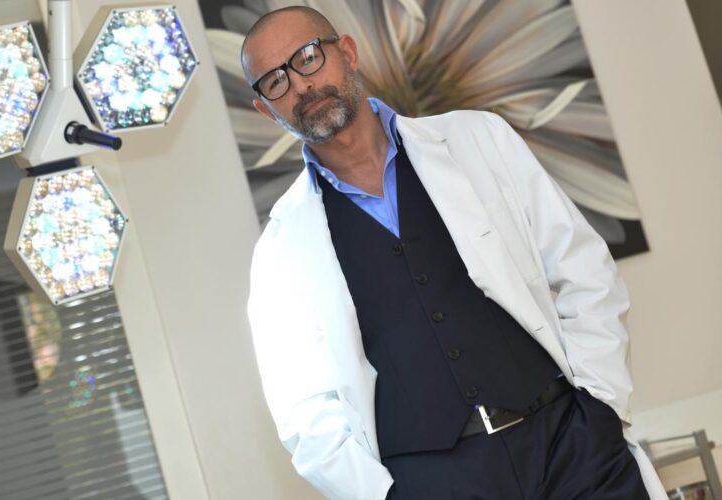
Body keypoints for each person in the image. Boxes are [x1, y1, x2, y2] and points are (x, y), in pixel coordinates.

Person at [241, 6, 667, 500]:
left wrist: (600, 407)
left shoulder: (479, 139)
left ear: (348, 53)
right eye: (275, 81)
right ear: (266, 110)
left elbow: (584, 268)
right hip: (431, 483)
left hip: (571, 448)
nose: (300, 85)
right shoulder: (281, 250)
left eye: (308, 57)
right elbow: (303, 411)